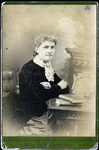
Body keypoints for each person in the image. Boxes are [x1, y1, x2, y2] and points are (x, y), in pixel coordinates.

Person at [18, 34, 70, 135]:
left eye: (52, 47)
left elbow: (66, 88)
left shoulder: (47, 67)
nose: (49, 51)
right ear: (37, 49)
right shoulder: (29, 69)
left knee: (64, 129)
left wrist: (52, 88)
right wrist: (57, 87)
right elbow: (43, 94)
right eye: (45, 47)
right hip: (32, 118)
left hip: (47, 114)